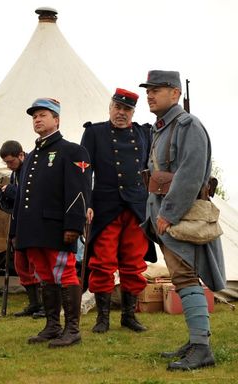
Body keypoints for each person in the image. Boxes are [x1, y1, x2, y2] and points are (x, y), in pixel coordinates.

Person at [139, 70, 225, 370]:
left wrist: (168, 214)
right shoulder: (162, 128)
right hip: (164, 214)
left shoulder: (188, 125)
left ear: (175, 93)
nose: (150, 94)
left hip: (180, 215)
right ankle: (196, 340)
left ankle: (202, 348)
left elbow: (190, 174)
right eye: (148, 89)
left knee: (186, 278)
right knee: (181, 277)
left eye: (157, 89)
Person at [11, 98, 91, 348]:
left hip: (57, 226)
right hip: (32, 228)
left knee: (64, 272)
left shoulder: (72, 150)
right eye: (34, 116)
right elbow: (21, 196)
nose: (37, 119)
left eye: (43, 115)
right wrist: (17, 231)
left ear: (56, 120)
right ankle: (53, 325)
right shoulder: (32, 155)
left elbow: (79, 191)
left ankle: (72, 329)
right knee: (45, 276)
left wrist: (74, 225)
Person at [80, 88, 156, 334]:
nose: (121, 113)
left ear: (133, 112)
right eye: (117, 107)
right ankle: (102, 318)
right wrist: (86, 204)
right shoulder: (94, 132)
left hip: (137, 206)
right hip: (105, 206)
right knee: (102, 263)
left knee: (134, 263)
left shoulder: (145, 133)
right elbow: (84, 171)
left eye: (126, 109)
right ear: (110, 107)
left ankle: (128, 316)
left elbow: (152, 169)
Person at [0, 140, 44, 318]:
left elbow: (30, 198)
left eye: (11, 161)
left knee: (39, 265)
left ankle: (47, 306)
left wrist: (11, 190)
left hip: (36, 226)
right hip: (20, 226)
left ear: (21, 155)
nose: (9, 166)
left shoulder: (33, 169)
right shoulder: (16, 173)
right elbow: (16, 205)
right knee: (21, 265)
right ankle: (35, 303)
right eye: (6, 162)